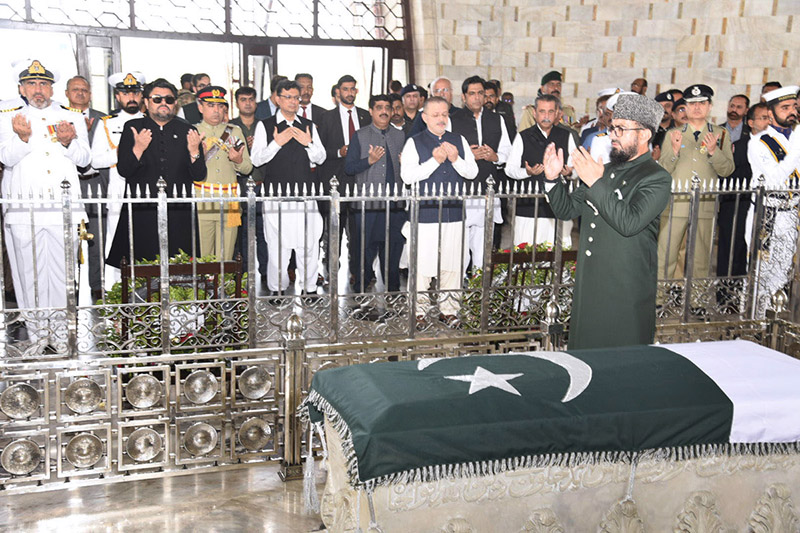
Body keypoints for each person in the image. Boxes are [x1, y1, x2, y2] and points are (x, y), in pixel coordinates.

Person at [543, 93, 672, 349]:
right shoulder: (606, 170)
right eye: (613, 127)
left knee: (621, 361)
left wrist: (596, 182)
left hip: (625, 285)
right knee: (587, 355)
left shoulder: (656, 177)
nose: (612, 135)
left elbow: (629, 223)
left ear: (645, 134)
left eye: (621, 129)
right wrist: (551, 179)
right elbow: (566, 209)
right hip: (591, 280)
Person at [0, 59, 91, 351]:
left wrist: (68, 142)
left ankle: (63, 336)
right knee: (29, 273)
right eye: (32, 84)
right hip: (25, 211)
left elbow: (84, 160)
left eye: (43, 84)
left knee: (63, 274)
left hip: (62, 209)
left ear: (52, 89)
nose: (38, 90)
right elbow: (6, 159)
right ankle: (38, 336)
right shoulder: (7, 118)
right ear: (21, 89)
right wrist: (23, 138)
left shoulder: (72, 117)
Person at [106, 78, 206, 267]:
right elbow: (124, 170)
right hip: (143, 209)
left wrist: (194, 151)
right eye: (157, 99)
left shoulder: (188, 129)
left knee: (180, 265)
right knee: (141, 265)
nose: (163, 104)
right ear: (146, 102)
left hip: (178, 210)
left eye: (168, 100)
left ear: (175, 103)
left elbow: (199, 175)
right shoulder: (132, 128)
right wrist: (138, 148)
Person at [400, 96, 478, 326]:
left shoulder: (459, 140)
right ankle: (419, 312)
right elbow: (407, 176)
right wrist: (434, 161)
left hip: (454, 213)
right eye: (435, 115)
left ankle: (449, 309)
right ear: (424, 118)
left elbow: (472, 172)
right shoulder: (415, 142)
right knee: (422, 265)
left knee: (453, 263)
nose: (441, 119)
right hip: (425, 214)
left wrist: (455, 159)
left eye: (444, 114)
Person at [250, 79, 326, 296]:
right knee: (277, 247)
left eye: (296, 97)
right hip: (276, 195)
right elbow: (256, 160)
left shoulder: (308, 125)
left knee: (309, 244)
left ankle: (309, 288)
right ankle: (277, 289)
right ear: (277, 98)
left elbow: (321, 158)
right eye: (288, 97)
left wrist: (308, 142)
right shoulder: (264, 125)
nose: (293, 102)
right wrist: (277, 142)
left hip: (305, 194)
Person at [658, 84, 734, 287]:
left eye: (702, 103)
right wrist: (673, 151)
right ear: (685, 107)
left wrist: (713, 151)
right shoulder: (673, 134)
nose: (697, 107)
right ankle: (659, 297)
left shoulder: (721, 134)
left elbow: (727, 170)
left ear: (710, 106)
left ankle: (697, 301)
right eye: (691, 104)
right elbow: (663, 170)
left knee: (701, 255)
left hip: (705, 202)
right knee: (666, 253)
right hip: (676, 203)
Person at [343, 94, 406, 292]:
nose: (384, 111)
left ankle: (393, 289)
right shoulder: (360, 136)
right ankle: (362, 287)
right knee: (365, 248)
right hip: (368, 204)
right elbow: (349, 168)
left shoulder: (399, 136)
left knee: (394, 246)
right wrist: (368, 161)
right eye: (379, 107)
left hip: (395, 203)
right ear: (371, 111)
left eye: (388, 107)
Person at [747, 86, 800, 318]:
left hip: (791, 212)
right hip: (767, 212)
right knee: (761, 271)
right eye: (785, 107)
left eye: (794, 107)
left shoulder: (796, 137)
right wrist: (796, 151)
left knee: (783, 269)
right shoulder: (760, 142)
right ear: (770, 113)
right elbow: (776, 179)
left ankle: (774, 321)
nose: (792, 112)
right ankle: (753, 321)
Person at [91, 71, 146, 289]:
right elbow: (95, 160)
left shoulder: (151, 121)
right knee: (116, 239)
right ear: (117, 96)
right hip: (119, 188)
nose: (130, 97)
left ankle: (145, 288)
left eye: (135, 92)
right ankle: (116, 290)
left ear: (142, 95)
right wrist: (127, 152)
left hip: (148, 188)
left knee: (145, 238)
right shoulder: (106, 123)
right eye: (125, 93)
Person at [450, 76, 511, 270]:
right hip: (462, 191)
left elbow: (507, 151)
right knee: (459, 246)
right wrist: (469, 155)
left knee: (483, 246)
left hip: (488, 189)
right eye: (472, 93)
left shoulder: (497, 119)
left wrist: (495, 156)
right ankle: (459, 287)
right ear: (463, 97)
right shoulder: (453, 120)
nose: (477, 98)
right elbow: (448, 153)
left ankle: (479, 288)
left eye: (480, 93)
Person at [318, 75, 371, 284]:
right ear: (338, 92)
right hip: (335, 181)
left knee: (358, 230)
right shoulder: (325, 118)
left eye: (352, 89)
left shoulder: (366, 116)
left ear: (356, 91)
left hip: (361, 180)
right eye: (345, 89)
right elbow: (319, 151)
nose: (349, 93)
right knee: (334, 231)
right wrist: (339, 152)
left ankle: (357, 271)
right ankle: (332, 271)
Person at [506, 94, 576, 247]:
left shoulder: (566, 136)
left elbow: (576, 168)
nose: (546, 116)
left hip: (558, 208)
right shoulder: (523, 137)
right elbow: (509, 169)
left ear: (557, 113)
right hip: (528, 208)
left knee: (556, 256)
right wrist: (527, 172)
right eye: (542, 111)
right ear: (534, 113)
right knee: (525, 256)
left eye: (551, 112)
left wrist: (569, 172)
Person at [194, 86, 252, 260]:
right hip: (202, 200)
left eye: (220, 106)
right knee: (203, 256)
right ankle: (204, 287)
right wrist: (198, 157)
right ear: (200, 107)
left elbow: (248, 168)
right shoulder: (193, 132)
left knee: (226, 256)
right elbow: (184, 169)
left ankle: (223, 287)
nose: (216, 111)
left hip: (230, 202)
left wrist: (238, 161)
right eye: (211, 105)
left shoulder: (234, 131)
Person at [66, 75, 106, 301]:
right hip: (68, 183)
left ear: (90, 94)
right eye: (75, 89)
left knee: (96, 238)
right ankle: (70, 286)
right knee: (69, 236)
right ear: (67, 94)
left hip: (95, 183)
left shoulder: (103, 119)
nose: (80, 93)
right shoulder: (59, 116)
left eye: (84, 90)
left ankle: (97, 287)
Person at [230, 86, 269, 281]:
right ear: (237, 103)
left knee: (263, 231)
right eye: (243, 99)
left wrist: (258, 147)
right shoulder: (229, 127)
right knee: (241, 231)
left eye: (251, 99)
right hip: (239, 185)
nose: (247, 103)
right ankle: (243, 272)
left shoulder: (265, 126)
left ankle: (265, 272)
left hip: (261, 183)